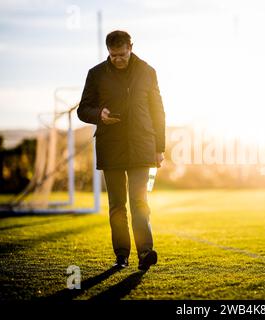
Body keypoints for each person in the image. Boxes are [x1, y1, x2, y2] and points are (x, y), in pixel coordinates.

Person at [77, 30, 165, 271]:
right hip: (111, 147)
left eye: (122, 54)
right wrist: (99, 115)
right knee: (117, 205)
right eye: (113, 55)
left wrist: (160, 148)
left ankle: (145, 252)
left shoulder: (148, 71)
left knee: (139, 201)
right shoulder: (95, 74)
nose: (118, 59)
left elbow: (158, 112)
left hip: (142, 148)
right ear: (108, 51)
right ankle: (122, 255)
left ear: (131, 47)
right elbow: (83, 109)